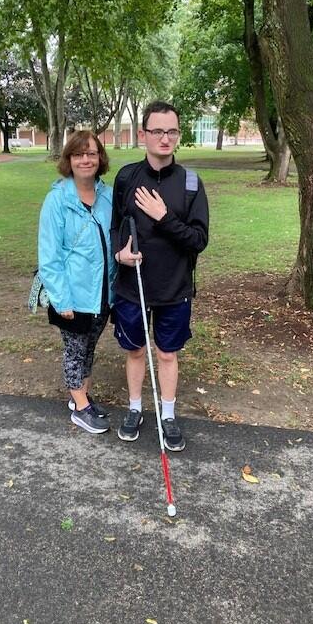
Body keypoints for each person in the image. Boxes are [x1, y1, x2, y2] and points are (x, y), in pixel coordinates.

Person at [111, 101, 209, 451]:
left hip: (174, 286)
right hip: (132, 285)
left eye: (172, 131)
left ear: (178, 136)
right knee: (136, 350)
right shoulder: (125, 178)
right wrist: (119, 254)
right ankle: (135, 409)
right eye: (158, 131)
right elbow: (114, 229)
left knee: (167, 354)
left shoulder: (191, 183)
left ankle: (167, 415)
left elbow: (198, 240)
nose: (165, 138)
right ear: (143, 135)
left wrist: (164, 217)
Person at [38, 130, 116, 434]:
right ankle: (80, 408)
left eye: (92, 153)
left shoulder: (107, 196)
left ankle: (81, 397)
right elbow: (49, 255)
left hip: (101, 293)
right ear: (69, 159)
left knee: (89, 349)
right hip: (72, 294)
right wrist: (61, 299)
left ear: (100, 158)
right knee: (74, 350)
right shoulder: (57, 199)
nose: (86, 160)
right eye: (78, 154)